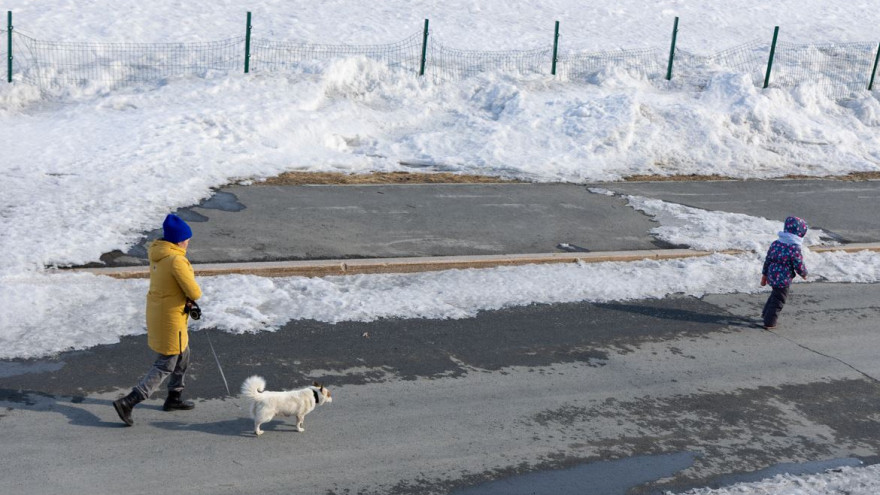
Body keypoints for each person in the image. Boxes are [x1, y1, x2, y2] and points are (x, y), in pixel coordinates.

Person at [113, 213, 202, 426]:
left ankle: (174, 398)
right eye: (186, 238)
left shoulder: (160, 254)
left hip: (163, 312)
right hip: (170, 317)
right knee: (167, 362)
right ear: (178, 240)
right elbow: (194, 291)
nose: (188, 242)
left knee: (183, 354)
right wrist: (190, 297)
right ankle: (129, 401)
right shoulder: (176, 260)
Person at [761, 216, 808, 329]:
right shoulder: (794, 248)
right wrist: (803, 273)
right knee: (779, 300)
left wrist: (765, 274)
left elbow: (768, 259)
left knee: (774, 295)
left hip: (772, 274)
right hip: (783, 278)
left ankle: (765, 314)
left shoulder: (776, 243)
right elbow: (798, 264)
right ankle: (769, 322)